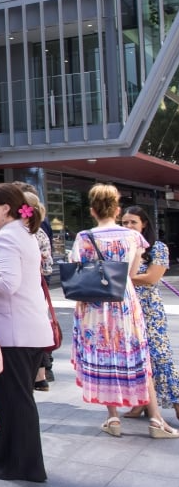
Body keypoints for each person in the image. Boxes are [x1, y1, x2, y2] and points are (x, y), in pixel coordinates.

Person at [70, 184, 179, 440]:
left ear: (93, 211)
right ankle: (155, 419)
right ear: (117, 210)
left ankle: (113, 417)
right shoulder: (133, 237)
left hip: (95, 305)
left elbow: (78, 270)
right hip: (126, 302)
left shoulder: (84, 237)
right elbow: (131, 274)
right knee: (139, 357)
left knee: (105, 357)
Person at [0, 182, 53, 482]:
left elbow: (8, 283)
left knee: (16, 399)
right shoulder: (18, 233)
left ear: (5, 207)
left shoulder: (9, 237)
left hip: (16, 332)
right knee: (8, 398)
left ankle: (21, 464)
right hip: (20, 330)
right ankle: (3, 453)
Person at [121, 206, 179, 422]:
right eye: (125, 222)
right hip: (127, 307)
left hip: (149, 309)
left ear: (144, 224)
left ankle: (176, 401)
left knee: (160, 356)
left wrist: (121, 277)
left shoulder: (157, 247)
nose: (128, 226)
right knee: (134, 357)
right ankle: (141, 403)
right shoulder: (124, 247)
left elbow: (152, 278)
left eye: (133, 222)